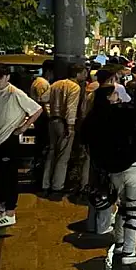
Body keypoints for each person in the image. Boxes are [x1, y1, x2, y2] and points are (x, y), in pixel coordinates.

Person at [82, 83, 136, 265]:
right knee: (134, 210)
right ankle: (129, 251)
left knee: (122, 207)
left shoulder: (115, 111)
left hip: (113, 167)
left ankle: (119, 243)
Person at [0, 65, 43, 228]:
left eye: (0, 77)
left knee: (9, 176)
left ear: (7, 77)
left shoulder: (15, 93)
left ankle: (10, 212)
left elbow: (37, 109)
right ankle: (3, 206)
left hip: (9, 140)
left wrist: (23, 127)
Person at [42, 64, 87, 195]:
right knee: (63, 156)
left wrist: (50, 111)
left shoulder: (56, 84)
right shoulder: (75, 87)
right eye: (84, 73)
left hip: (52, 121)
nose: (85, 76)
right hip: (64, 123)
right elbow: (71, 108)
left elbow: (43, 98)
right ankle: (57, 186)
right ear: (77, 73)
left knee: (51, 152)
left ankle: (45, 184)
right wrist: (70, 126)